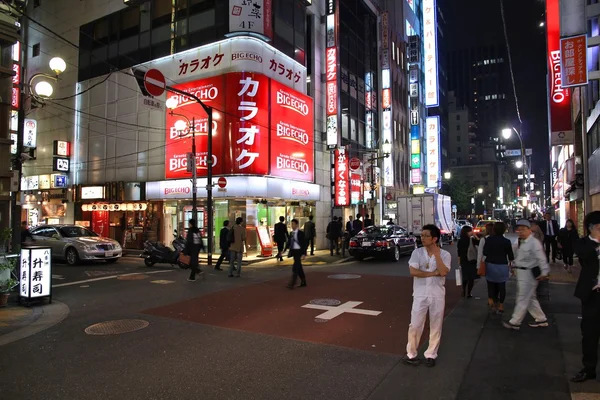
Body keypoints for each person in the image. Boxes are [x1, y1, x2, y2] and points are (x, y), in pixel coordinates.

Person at [403, 224, 451, 368]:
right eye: (422, 235)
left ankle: (431, 354)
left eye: (426, 236)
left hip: (437, 294)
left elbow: (443, 272)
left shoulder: (444, 255)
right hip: (420, 294)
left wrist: (436, 255)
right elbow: (413, 272)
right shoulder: (417, 253)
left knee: (436, 324)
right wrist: (432, 273)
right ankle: (411, 354)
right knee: (415, 324)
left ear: (434, 238)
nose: (422, 238)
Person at [502, 220, 550, 330]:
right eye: (519, 230)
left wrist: (544, 272)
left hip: (529, 273)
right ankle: (541, 318)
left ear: (529, 229)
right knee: (530, 298)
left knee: (522, 298)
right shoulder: (525, 242)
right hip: (522, 272)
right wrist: (514, 265)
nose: (520, 232)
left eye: (523, 229)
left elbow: (541, 258)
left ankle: (515, 321)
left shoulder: (534, 242)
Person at [571, 211, 600, 383]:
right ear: (595, 228)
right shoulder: (583, 243)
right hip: (593, 296)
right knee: (589, 334)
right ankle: (589, 369)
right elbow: (584, 255)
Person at [483, 222, 515, 314]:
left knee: (491, 284)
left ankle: (491, 300)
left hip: (491, 264)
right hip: (502, 265)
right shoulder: (507, 241)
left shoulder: (489, 240)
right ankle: (501, 305)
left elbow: (485, 252)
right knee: (502, 286)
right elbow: (511, 256)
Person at [457, 226, 478, 298]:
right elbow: (479, 242)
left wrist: (459, 261)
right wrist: (474, 235)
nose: (471, 232)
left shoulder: (460, 240)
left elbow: (459, 252)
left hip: (463, 260)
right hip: (472, 260)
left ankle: (463, 290)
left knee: (465, 277)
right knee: (471, 278)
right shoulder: (471, 240)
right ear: (467, 232)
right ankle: (469, 293)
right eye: (470, 231)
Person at [286, 218, 308, 289]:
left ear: (297, 225)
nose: (292, 226)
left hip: (299, 252)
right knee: (299, 268)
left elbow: (304, 244)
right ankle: (303, 281)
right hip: (294, 252)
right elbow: (288, 242)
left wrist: (304, 253)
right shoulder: (291, 233)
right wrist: (283, 250)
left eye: (293, 224)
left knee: (295, 268)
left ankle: (292, 283)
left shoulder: (301, 233)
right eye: (291, 224)